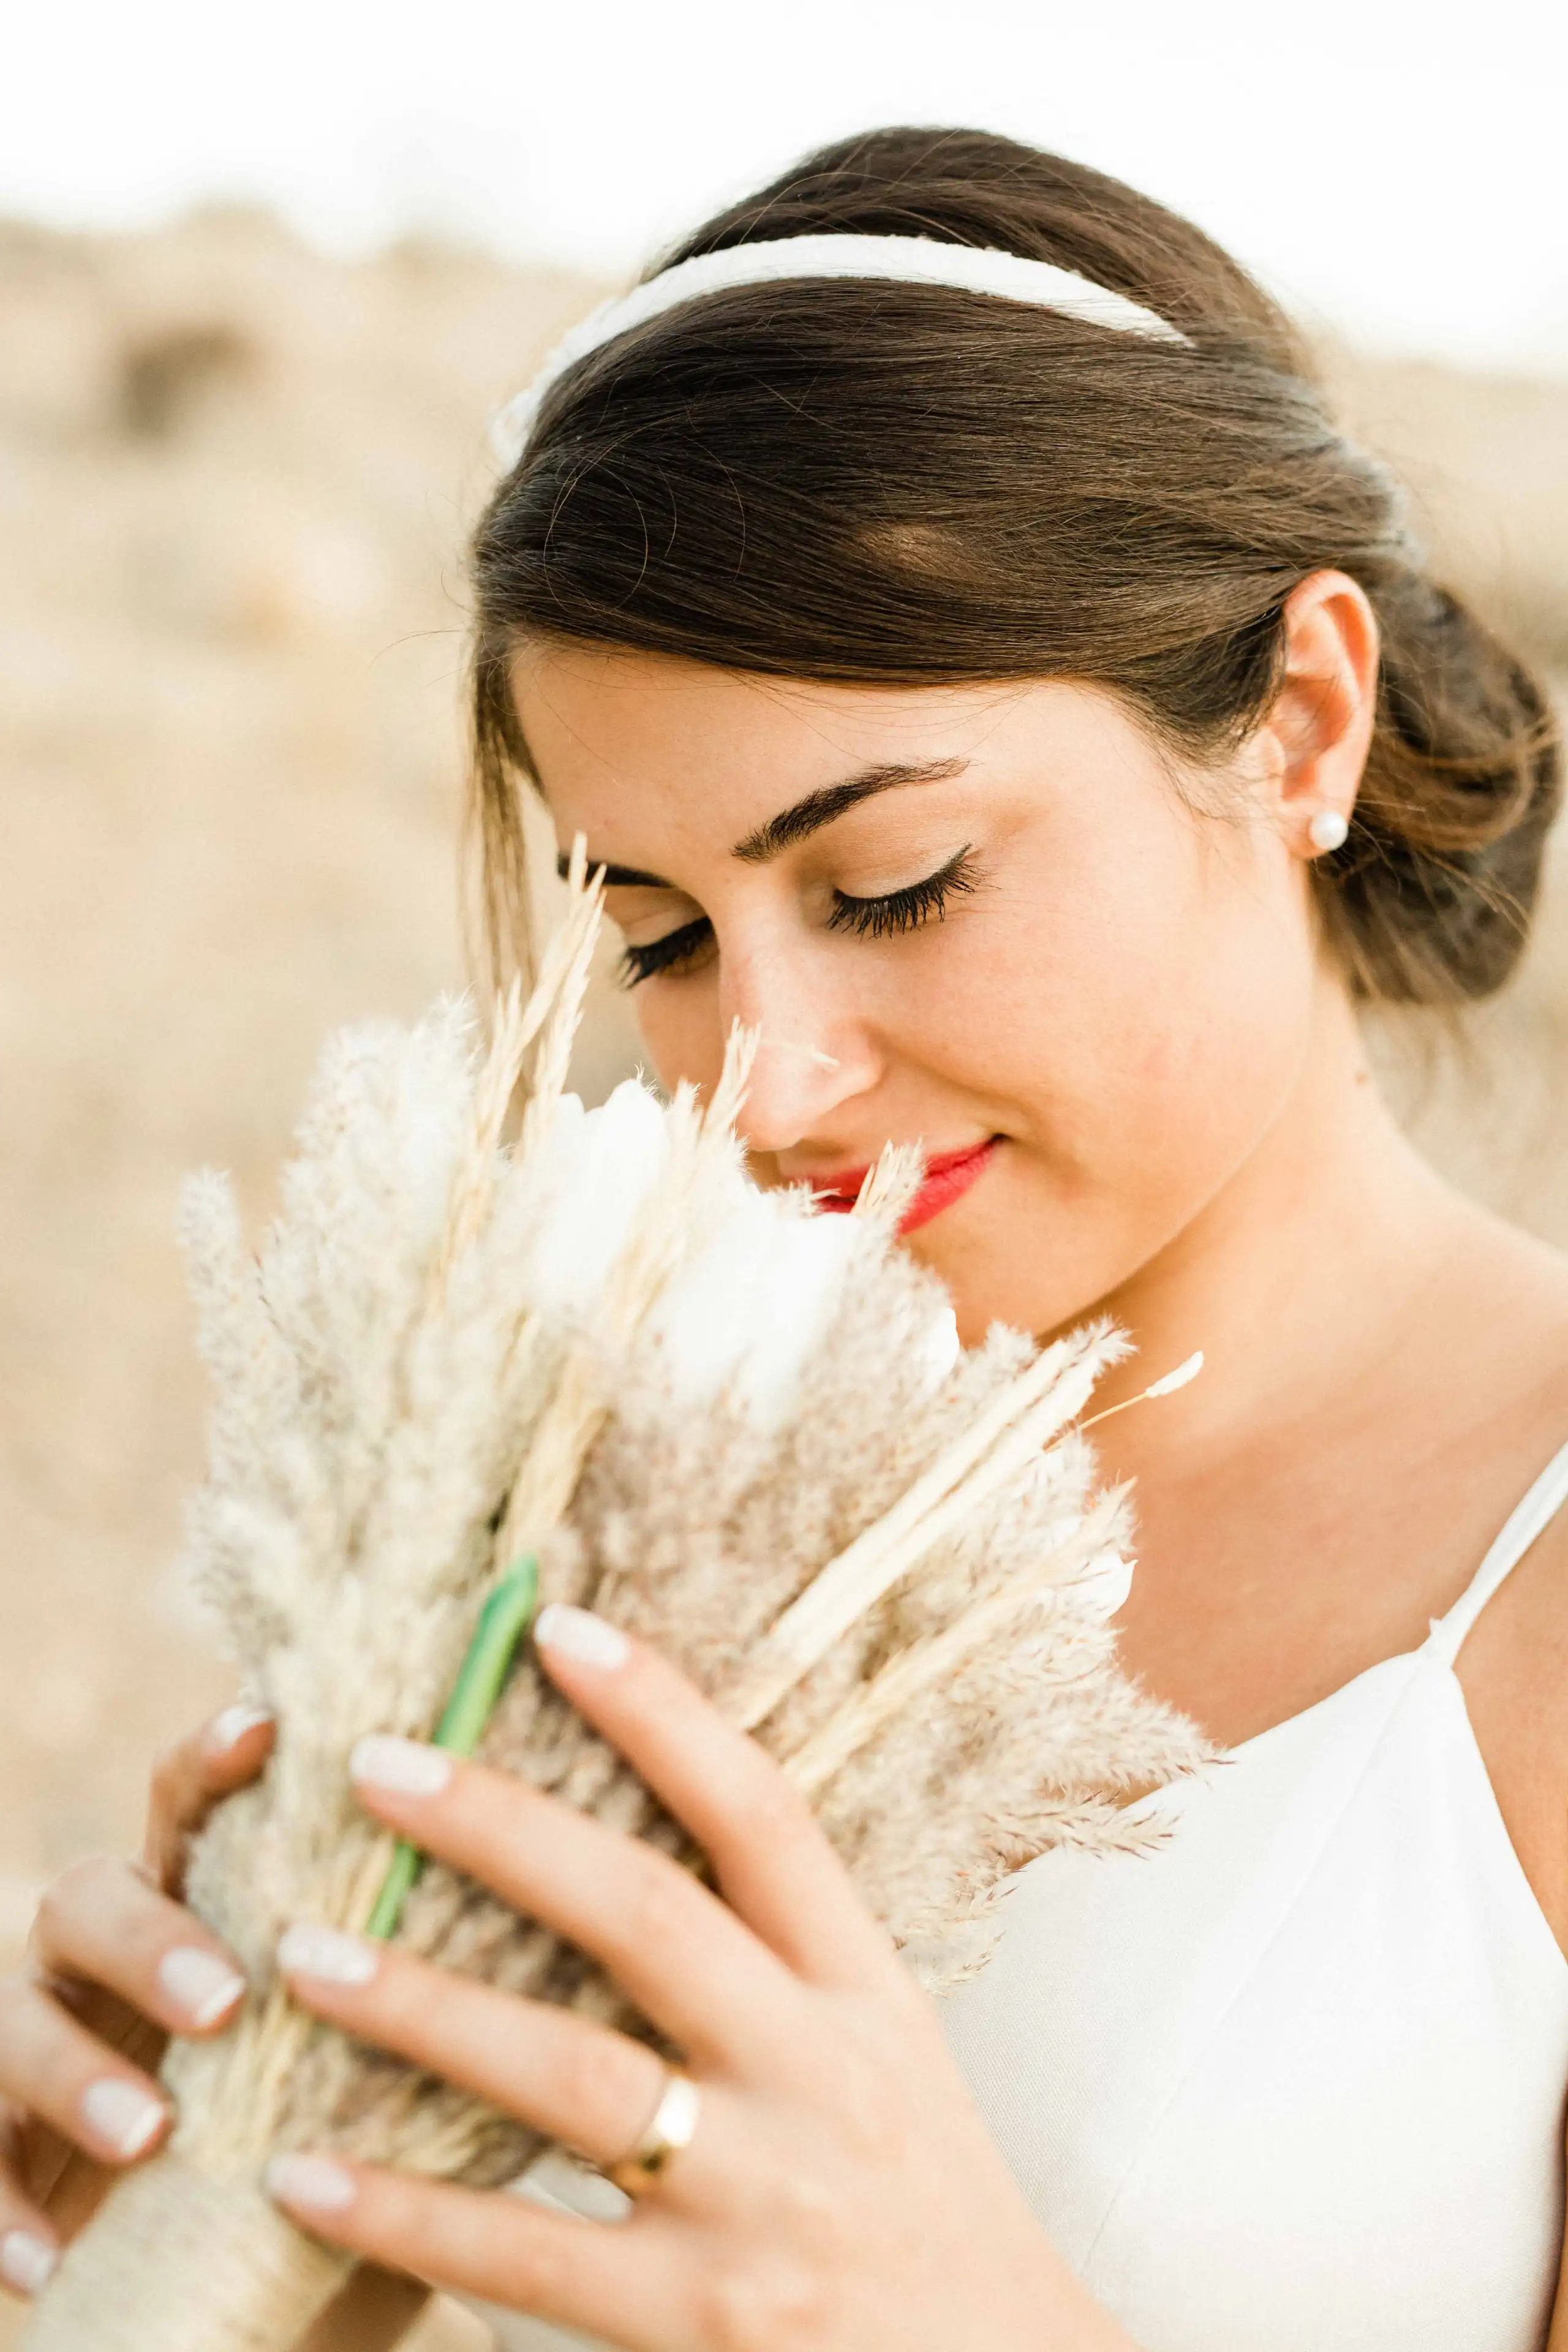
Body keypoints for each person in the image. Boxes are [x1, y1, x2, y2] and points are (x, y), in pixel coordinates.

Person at [3, 124, 1567, 2352]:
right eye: (658, 932)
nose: (757, 1078)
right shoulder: (605, 1497)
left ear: (1304, 722)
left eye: (897, 882)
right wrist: (222, 2261)